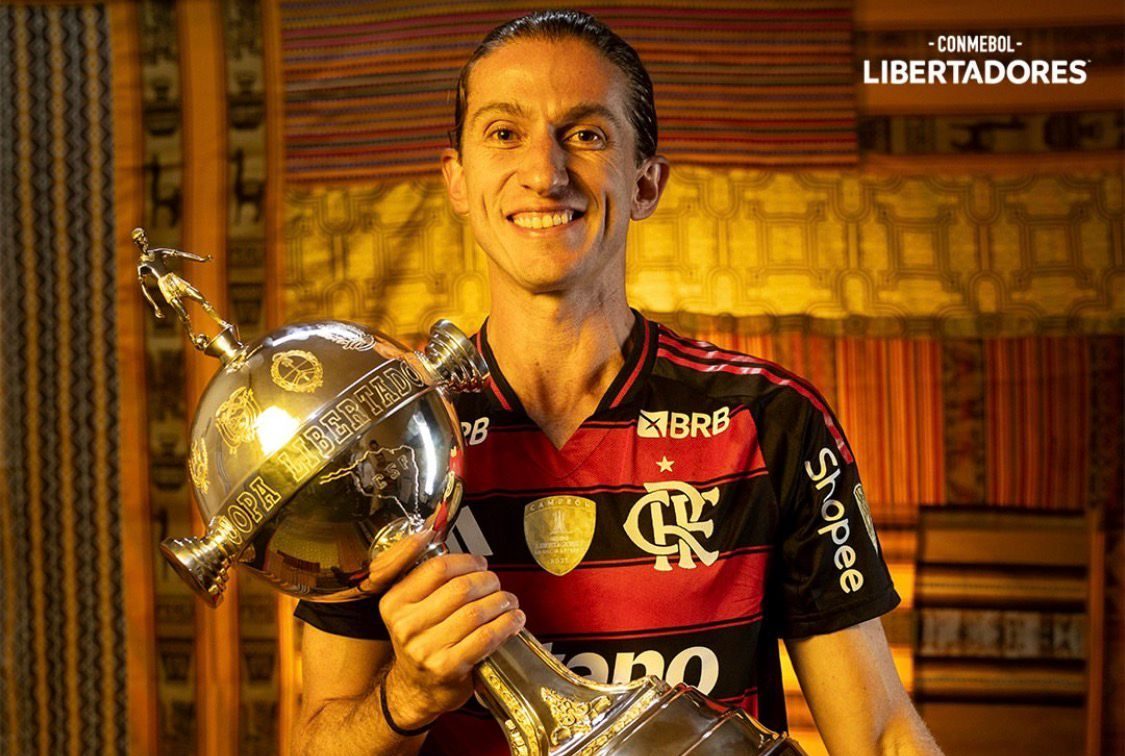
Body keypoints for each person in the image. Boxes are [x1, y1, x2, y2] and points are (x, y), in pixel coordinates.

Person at [293, 10, 941, 755]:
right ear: (457, 179)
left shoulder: (769, 421)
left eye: (586, 134)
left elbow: (880, 732)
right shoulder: (378, 444)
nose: (545, 172)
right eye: (504, 133)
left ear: (645, 183)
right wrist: (406, 700)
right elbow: (316, 739)